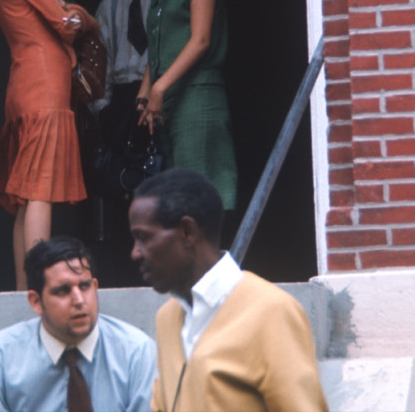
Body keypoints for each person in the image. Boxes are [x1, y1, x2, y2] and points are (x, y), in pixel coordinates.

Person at [128, 169, 327, 412]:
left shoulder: (272, 311)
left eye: (143, 238)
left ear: (187, 232)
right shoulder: (167, 319)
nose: (135, 252)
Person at [0, 0, 100, 290]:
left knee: (29, 196)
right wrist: (87, 18)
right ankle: (39, 289)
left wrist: (71, 17)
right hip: (43, 87)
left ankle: (25, 291)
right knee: (39, 193)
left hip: (26, 83)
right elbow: (64, 22)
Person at [0, 236, 156, 412]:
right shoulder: (1, 355)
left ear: (95, 287)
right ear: (35, 302)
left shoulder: (135, 352)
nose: (79, 300)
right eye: (63, 290)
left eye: (85, 286)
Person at [136, 0, 239, 210]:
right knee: (175, 199)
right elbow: (158, 47)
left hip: (197, 99)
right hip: (168, 103)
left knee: (197, 199)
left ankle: (211, 261)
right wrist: (144, 95)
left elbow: (201, 40)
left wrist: (159, 87)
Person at [88, 0, 160, 285]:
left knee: (157, 187)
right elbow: (97, 67)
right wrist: (104, 112)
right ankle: (124, 280)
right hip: (121, 106)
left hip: (159, 102)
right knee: (119, 196)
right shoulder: (109, 6)